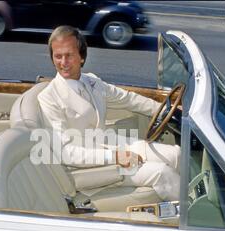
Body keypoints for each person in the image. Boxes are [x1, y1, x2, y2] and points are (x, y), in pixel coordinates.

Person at [38, 25, 180, 201]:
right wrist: (114, 157)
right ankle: (191, 219)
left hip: (113, 145)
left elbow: (128, 99)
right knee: (162, 173)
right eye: (58, 56)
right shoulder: (48, 97)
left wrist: (167, 111)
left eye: (69, 55)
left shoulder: (92, 81)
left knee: (177, 155)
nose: (63, 62)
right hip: (90, 169)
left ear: (81, 57)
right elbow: (66, 153)